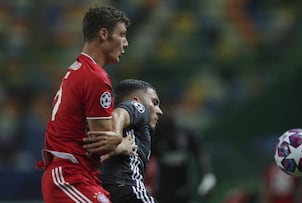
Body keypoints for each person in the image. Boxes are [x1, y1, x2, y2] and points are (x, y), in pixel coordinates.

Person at [36, 5, 132, 202]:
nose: (126, 43)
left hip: (78, 174)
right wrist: (123, 143)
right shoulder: (95, 77)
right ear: (104, 34)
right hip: (68, 176)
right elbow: (102, 145)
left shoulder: (80, 69)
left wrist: (114, 138)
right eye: (122, 35)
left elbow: (99, 141)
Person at [84, 79, 163, 203]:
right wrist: (116, 138)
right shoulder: (138, 108)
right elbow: (119, 114)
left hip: (100, 192)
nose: (160, 111)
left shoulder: (99, 125)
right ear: (135, 101)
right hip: (128, 190)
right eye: (154, 102)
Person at [146, 98, 216, 203]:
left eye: (172, 108)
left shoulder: (186, 132)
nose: (169, 111)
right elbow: (146, 159)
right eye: (166, 108)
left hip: (186, 188)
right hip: (163, 189)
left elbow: (200, 154)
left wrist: (208, 176)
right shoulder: (155, 135)